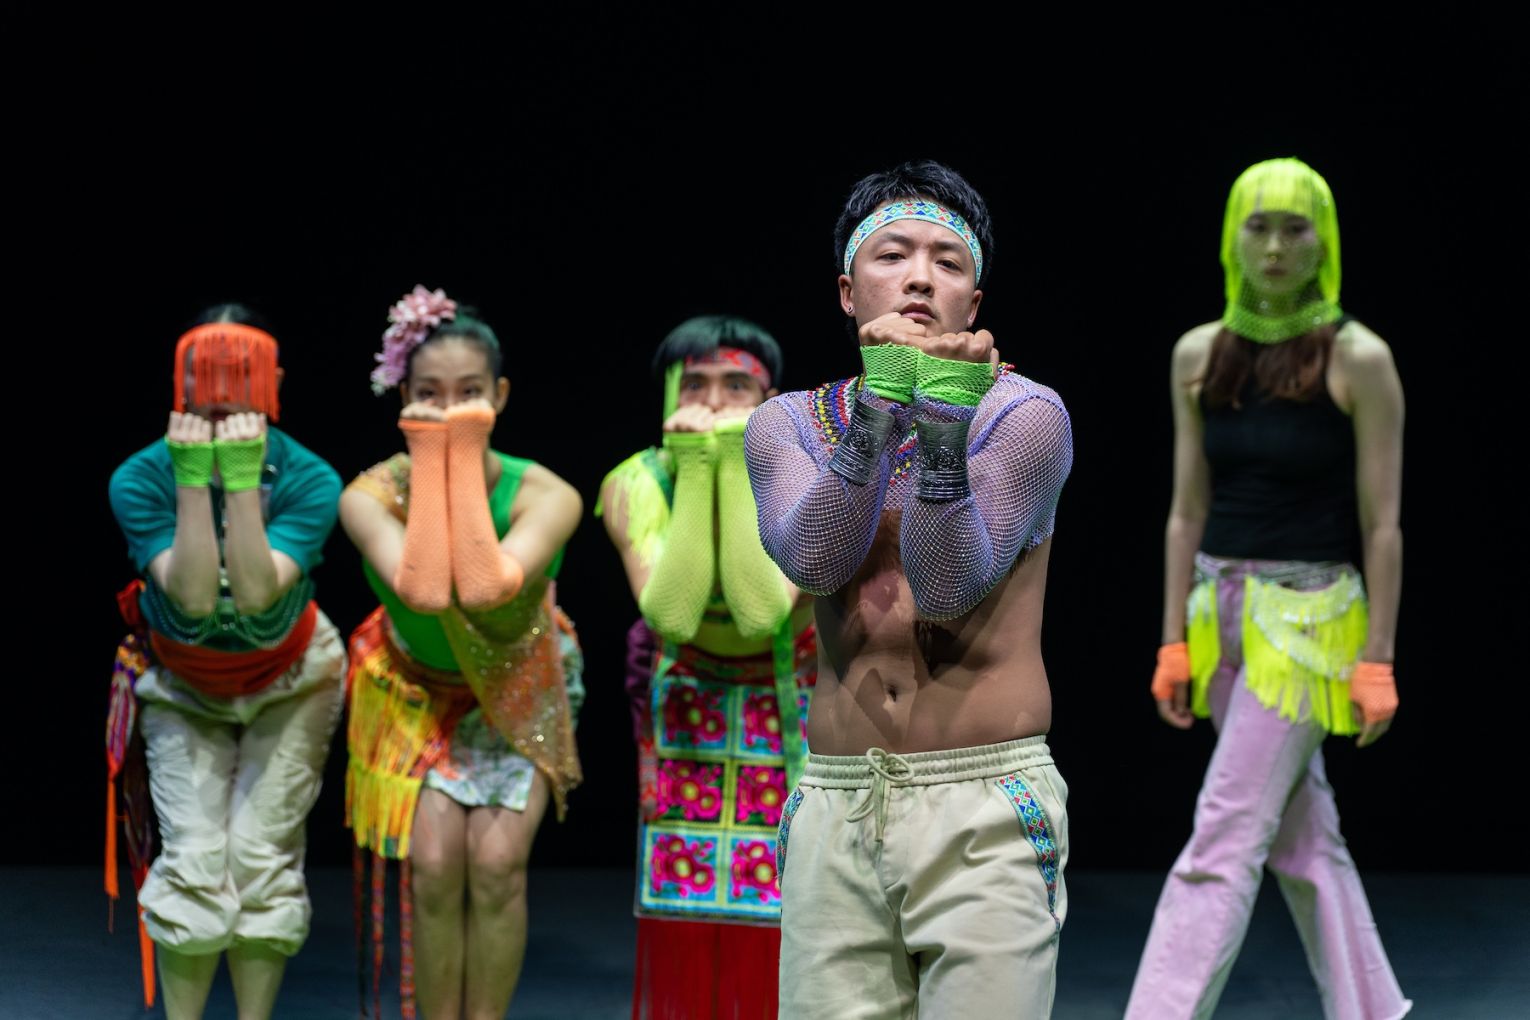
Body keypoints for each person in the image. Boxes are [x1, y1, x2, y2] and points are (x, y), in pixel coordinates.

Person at [743, 160, 1074, 1017]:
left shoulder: (1026, 415)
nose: (921, 276)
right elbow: (815, 561)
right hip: (839, 802)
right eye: (894, 255)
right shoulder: (785, 423)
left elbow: (949, 583)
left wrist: (942, 428)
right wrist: (881, 406)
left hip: (983, 808)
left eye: (947, 261)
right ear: (847, 291)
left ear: (975, 300)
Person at [1126, 157, 1411, 1019]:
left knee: (1222, 835)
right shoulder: (1198, 354)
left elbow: (1383, 524)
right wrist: (1172, 641)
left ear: (1324, 240)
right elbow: (1185, 510)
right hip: (1218, 618)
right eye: (1259, 226)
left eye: (1295, 227)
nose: (1277, 247)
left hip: (1308, 627)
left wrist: (1378, 659)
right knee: (1304, 842)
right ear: (1232, 238)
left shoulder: (1360, 359)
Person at [340, 285, 584, 1020]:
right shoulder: (369, 495)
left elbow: (481, 587)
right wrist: (436, 454)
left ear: (500, 396)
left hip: (518, 682)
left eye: (470, 394)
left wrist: (460, 447)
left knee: (498, 866)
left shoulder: (545, 493)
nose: (449, 412)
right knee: (437, 867)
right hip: (414, 689)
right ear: (403, 400)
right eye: (429, 395)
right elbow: (423, 591)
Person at [107, 304, 345, 1020]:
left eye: (239, 374)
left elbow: (259, 600)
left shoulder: (311, 478)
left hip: (292, 677)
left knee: (260, 858)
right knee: (194, 858)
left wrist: (240, 478)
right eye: (202, 375)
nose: (219, 393)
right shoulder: (139, 478)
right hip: (183, 680)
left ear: (272, 383)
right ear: (178, 382)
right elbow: (190, 602)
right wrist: (192, 476)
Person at [598, 315, 814, 1018]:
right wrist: (701, 464)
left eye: (736, 388)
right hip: (690, 705)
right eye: (694, 385)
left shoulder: (807, 477)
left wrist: (733, 462)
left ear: (770, 399)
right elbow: (673, 614)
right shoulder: (634, 481)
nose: (714, 404)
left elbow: (762, 611)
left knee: (797, 896)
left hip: (793, 701)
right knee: (690, 902)